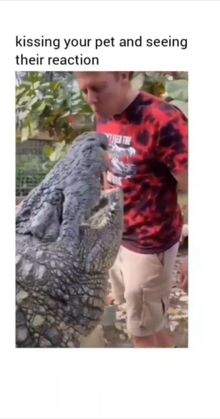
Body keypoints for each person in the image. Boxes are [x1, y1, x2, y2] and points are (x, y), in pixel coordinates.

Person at [75, 72, 188, 348]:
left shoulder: (164, 120)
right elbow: (109, 176)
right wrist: (97, 229)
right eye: (84, 90)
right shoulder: (103, 113)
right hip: (117, 237)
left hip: (150, 245)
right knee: (149, 323)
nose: (91, 99)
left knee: (141, 334)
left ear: (123, 75)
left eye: (98, 88)